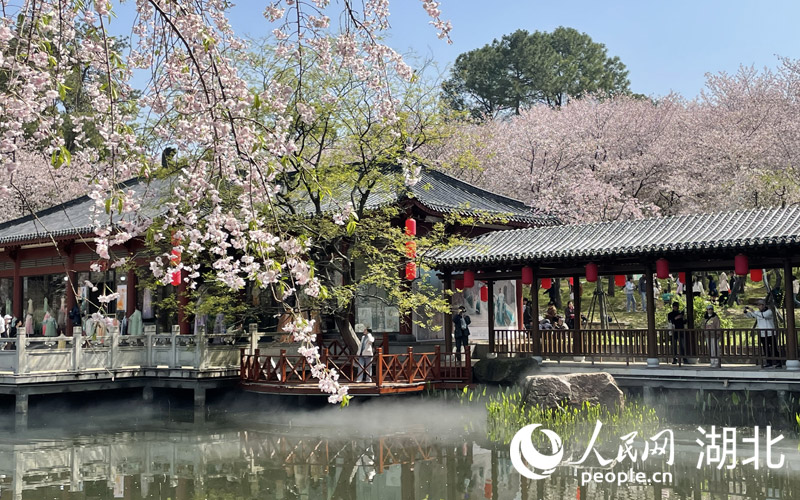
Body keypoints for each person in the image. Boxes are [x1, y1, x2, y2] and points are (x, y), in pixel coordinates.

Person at [745, 299, 782, 368]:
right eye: (758, 305)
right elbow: (751, 315)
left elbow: (763, 316)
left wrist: (753, 311)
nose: (758, 307)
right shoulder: (758, 313)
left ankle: (778, 362)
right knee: (766, 349)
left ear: (763, 305)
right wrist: (746, 312)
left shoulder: (769, 312)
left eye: (759, 305)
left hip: (770, 333)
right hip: (762, 334)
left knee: (774, 348)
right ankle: (769, 362)